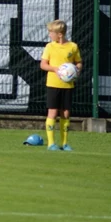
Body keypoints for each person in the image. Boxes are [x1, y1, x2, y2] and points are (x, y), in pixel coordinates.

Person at [39, 19, 81, 151]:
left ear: (60, 34)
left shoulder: (72, 47)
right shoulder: (49, 47)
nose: (50, 35)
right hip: (53, 84)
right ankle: (51, 143)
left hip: (67, 85)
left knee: (66, 113)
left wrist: (76, 70)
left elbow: (78, 62)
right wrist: (56, 69)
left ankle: (64, 143)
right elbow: (43, 64)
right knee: (52, 112)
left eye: (51, 32)